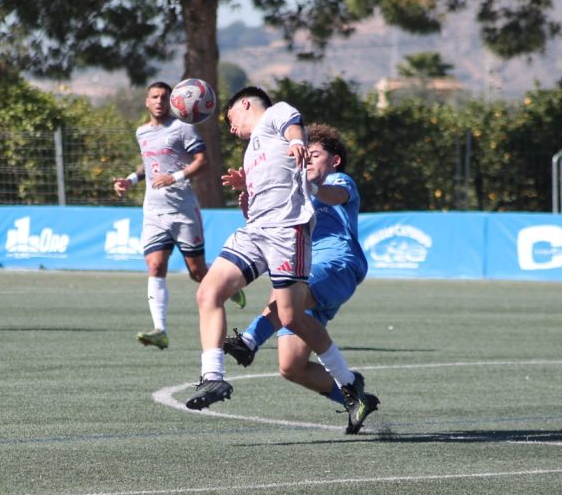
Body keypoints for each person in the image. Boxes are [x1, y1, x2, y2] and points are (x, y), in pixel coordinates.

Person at [186, 87, 378, 434]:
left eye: (230, 118)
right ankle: (212, 376)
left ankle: (256, 344)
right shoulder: (254, 151)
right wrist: (248, 193)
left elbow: (293, 124)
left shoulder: (278, 120)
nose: (230, 128)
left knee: (289, 312)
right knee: (211, 296)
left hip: (315, 250)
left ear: (245, 104)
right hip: (259, 232)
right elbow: (267, 197)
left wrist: (297, 142)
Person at [222, 124, 374, 423]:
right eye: (305, 155)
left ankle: (249, 340)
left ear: (335, 160)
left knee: (286, 288)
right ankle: (355, 397)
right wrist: (250, 199)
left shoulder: (339, 180)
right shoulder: (293, 189)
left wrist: (310, 186)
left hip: (335, 264)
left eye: (315, 154)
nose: (308, 159)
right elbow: (269, 227)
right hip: (304, 271)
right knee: (291, 367)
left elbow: (333, 194)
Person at [113, 81, 245, 350]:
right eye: (154, 96)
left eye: (164, 97)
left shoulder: (183, 128)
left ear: (173, 101)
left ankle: (229, 287)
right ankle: (160, 330)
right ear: (146, 101)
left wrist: (174, 177)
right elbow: (148, 166)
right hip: (154, 211)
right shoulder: (142, 132)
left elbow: (203, 161)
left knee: (197, 272)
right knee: (155, 266)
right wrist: (130, 180)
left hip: (183, 211)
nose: (159, 101)